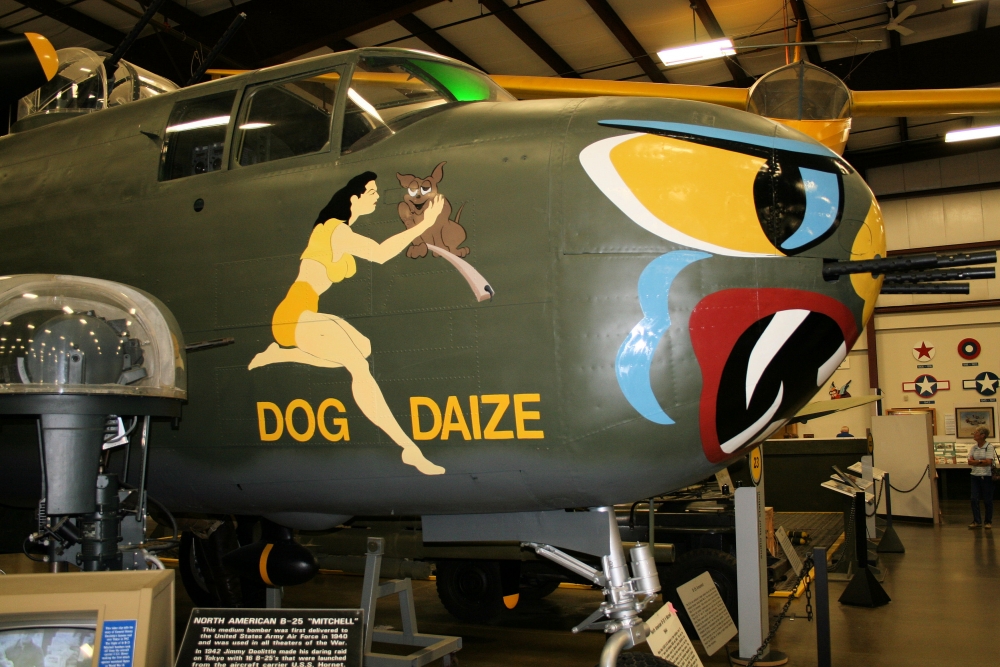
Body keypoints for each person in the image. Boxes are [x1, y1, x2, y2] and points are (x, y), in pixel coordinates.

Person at [249, 172, 446, 476]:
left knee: (362, 348)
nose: (377, 197)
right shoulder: (336, 230)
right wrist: (424, 224)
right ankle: (409, 449)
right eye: (372, 192)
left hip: (302, 314)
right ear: (354, 198)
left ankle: (280, 353)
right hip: (294, 314)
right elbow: (380, 254)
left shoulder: (338, 230)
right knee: (358, 365)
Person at [967, 426, 995, 529]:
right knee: (974, 499)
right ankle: (977, 521)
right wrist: (980, 461)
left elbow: (988, 462)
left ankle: (988, 521)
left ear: (982, 435)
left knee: (987, 500)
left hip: (986, 476)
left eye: (976, 433)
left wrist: (976, 461)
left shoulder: (989, 447)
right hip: (975, 475)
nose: (974, 435)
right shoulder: (974, 447)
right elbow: (969, 462)